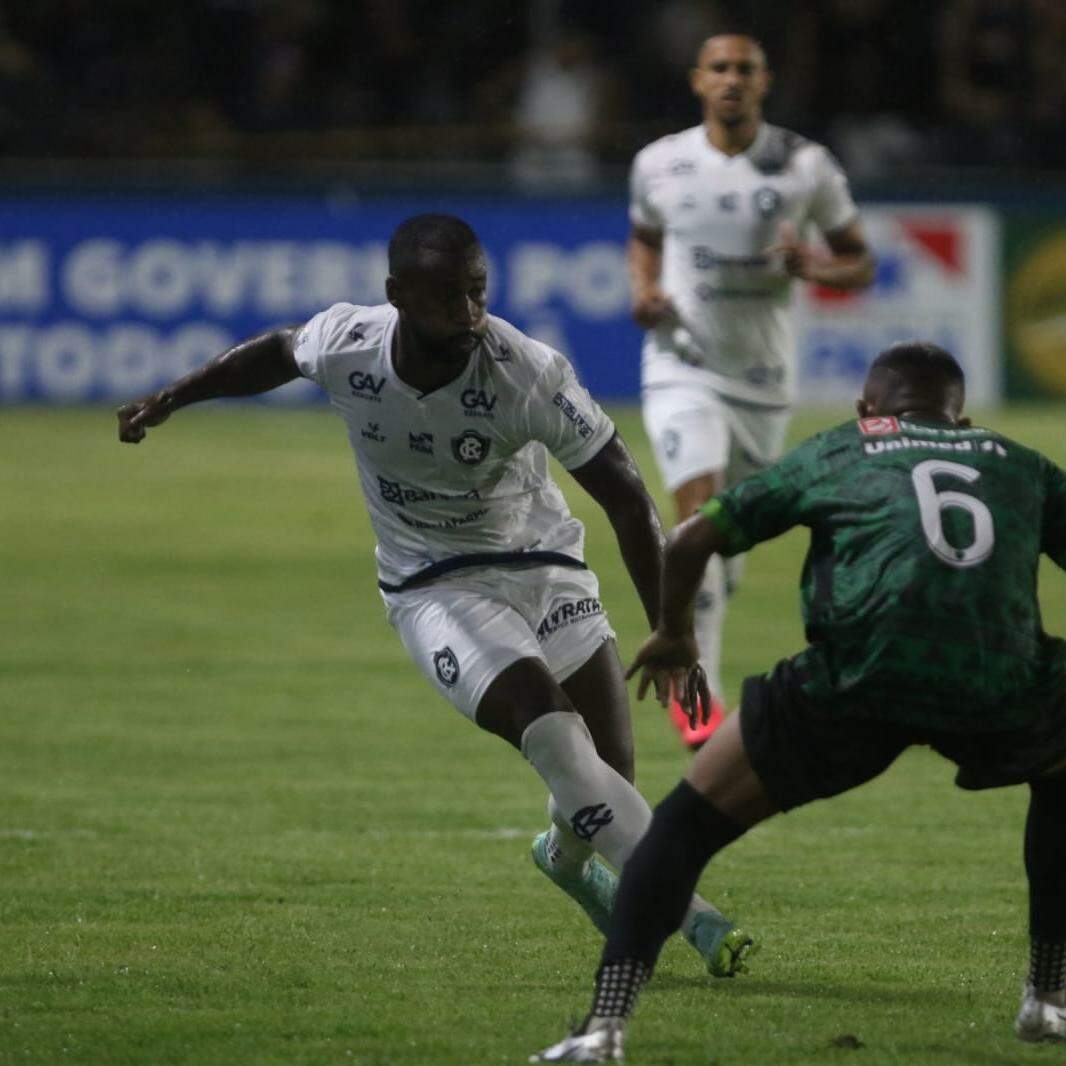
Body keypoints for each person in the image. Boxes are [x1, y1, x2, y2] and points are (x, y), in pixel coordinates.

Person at [116, 213, 756, 977]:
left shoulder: (527, 371)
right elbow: (278, 353)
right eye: (450, 298)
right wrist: (172, 397)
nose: (470, 314)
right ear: (397, 296)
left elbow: (624, 494)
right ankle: (696, 919)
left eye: (479, 293)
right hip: (435, 586)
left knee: (605, 778)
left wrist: (671, 627)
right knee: (554, 737)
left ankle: (563, 857)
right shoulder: (349, 341)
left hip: (546, 565)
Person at [532, 341, 1066, 1061]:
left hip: (859, 677)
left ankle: (604, 1028)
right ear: (958, 415)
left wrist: (676, 635)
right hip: (998, 677)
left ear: (866, 408)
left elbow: (691, 538)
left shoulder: (847, 447)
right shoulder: (1020, 462)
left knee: (684, 828)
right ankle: (1047, 996)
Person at [627, 31, 875, 747]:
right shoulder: (660, 162)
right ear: (697, 80)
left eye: (745, 69)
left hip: (764, 384)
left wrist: (816, 267)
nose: (732, 79)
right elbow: (644, 235)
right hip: (681, 366)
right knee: (696, 517)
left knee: (725, 550)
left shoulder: (804, 164)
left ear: (764, 82)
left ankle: (704, 608)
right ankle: (695, 691)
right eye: (719, 69)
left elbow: (859, 264)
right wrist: (643, 291)